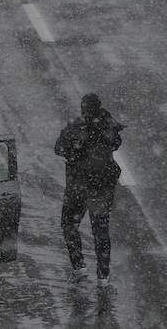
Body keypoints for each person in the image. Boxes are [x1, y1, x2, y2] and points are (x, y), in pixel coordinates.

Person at [55, 93, 125, 286]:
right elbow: (117, 142)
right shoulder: (107, 125)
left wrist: (74, 151)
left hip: (78, 186)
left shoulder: (76, 127)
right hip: (102, 187)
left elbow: (58, 148)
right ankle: (103, 276)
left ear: (83, 108)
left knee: (69, 224)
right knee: (101, 231)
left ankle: (79, 268)